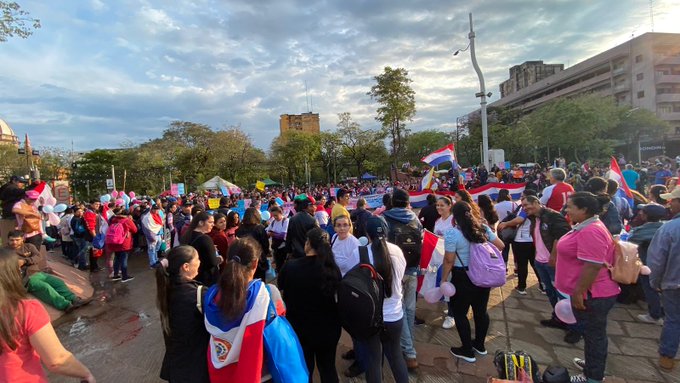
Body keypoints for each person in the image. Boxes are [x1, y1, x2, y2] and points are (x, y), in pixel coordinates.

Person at [0, 248, 96, 382]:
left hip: (37, 274)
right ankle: (65, 305)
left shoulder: (29, 246)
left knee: (57, 282)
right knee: (45, 288)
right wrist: (86, 374)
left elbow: (37, 257)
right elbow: (57, 360)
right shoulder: (25, 310)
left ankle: (73, 299)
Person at [555, 192, 621, 383]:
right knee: (593, 334)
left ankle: (592, 376)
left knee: (594, 335)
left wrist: (579, 292)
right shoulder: (586, 225)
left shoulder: (591, 230)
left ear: (584, 210)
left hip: (595, 293)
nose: (566, 210)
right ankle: (593, 362)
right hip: (591, 292)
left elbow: (592, 265)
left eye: (570, 207)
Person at [203, 238, 286, 382]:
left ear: (228, 261)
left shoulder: (211, 296)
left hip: (222, 373)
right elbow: (279, 330)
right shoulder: (267, 294)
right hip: (260, 373)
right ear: (255, 263)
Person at [440, 201, 505, 363]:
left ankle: (467, 350)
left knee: (460, 313)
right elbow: (501, 245)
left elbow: (449, 260)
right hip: (482, 276)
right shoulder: (482, 228)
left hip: (462, 277)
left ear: (454, 215)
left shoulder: (452, 233)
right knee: (481, 311)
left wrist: (443, 280)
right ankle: (480, 346)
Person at [348, 216, 409, 383]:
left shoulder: (359, 253)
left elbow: (350, 280)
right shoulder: (397, 250)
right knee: (396, 357)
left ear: (367, 234)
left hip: (371, 317)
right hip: (394, 315)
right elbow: (400, 277)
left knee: (373, 361)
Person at [278, 228, 342, 382]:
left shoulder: (290, 267)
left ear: (308, 244)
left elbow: (282, 290)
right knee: (328, 369)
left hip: (300, 329)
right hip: (328, 329)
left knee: (305, 370)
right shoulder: (332, 269)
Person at [156, 246, 210, 383]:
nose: (199, 262)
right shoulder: (198, 294)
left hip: (175, 365)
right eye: (197, 259)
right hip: (195, 367)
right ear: (186, 266)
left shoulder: (167, 288)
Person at [383, 188, 422, 371]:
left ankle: (409, 352)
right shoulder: (415, 218)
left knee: (399, 309)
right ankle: (410, 348)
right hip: (413, 268)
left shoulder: (385, 218)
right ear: (407, 202)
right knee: (409, 309)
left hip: (394, 269)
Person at [521, 196, 571, 334]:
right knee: (550, 292)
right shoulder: (533, 218)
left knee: (562, 294)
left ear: (536, 202)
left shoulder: (553, 216)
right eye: (523, 206)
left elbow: (562, 236)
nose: (525, 208)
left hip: (553, 263)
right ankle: (558, 317)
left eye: (527, 205)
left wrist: (554, 257)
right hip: (540, 261)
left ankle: (573, 326)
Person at [647, 187, 680, 372]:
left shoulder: (669, 228)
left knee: (673, 319)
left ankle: (667, 355)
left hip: (673, 283)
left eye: (673, 200)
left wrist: (655, 282)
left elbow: (657, 260)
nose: (669, 203)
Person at [629, 203, 667, 325]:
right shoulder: (666, 227)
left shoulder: (641, 230)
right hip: (666, 263)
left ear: (645, 215)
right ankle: (663, 312)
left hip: (648, 264)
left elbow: (630, 243)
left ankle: (654, 315)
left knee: (650, 288)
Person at [182, 212, 222, 286]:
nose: (213, 225)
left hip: (192, 275)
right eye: (210, 222)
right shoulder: (205, 239)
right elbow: (212, 261)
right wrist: (220, 259)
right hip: (206, 278)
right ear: (201, 223)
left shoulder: (187, 235)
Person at [236, 207, 271, 281]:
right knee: (260, 281)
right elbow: (265, 244)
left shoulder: (239, 229)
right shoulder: (259, 228)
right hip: (258, 258)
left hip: (244, 259)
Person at [106, 209, 138, 282]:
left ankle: (116, 275)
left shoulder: (113, 219)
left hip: (114, 242)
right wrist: (131, 221)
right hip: (124, 242)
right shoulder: (127, 221)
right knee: (124, 259)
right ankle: (124, 276)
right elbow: (135, 230)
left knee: (117, 259)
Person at [286, 194, 319, 260]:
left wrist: (289, 251)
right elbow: (318, 240)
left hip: (295, 254)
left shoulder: (293, 218)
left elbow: (288, 238)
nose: (315, 208)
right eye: (313, 205)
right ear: (307, 206)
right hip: (309, 256)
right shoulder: (312, 220)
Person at [0, 175, 26, 246]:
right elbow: (20, 192)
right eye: (20, 182)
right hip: (12, 216)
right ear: (14, 181)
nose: (22, 184)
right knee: (14, 235)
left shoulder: (7, 188)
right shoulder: (10, 188)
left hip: (9, 214)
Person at [266, 206, 288, 274]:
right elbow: (266, 231)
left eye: (276, 215)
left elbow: (283, 235)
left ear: (280, 213)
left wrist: (272, 234)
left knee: (284, 266)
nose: (275, 217)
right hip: (276, 248)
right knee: (278, 266)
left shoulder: (285, 221)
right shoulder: (273, 222)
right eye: (273, 215)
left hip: (284, 248)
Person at [142, 204, 164, 268]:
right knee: (151, 249)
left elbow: (159, 225)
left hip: (158, 234)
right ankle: (152, 263)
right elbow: (147, 228)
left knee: (156, 248)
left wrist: (161, 234)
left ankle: (156, 259)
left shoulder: (157, 215)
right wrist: (151, 237)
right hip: (152, 235)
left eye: (158, 209)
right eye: (155, 209)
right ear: (152, 209)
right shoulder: (148, 217)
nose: (157, 210)